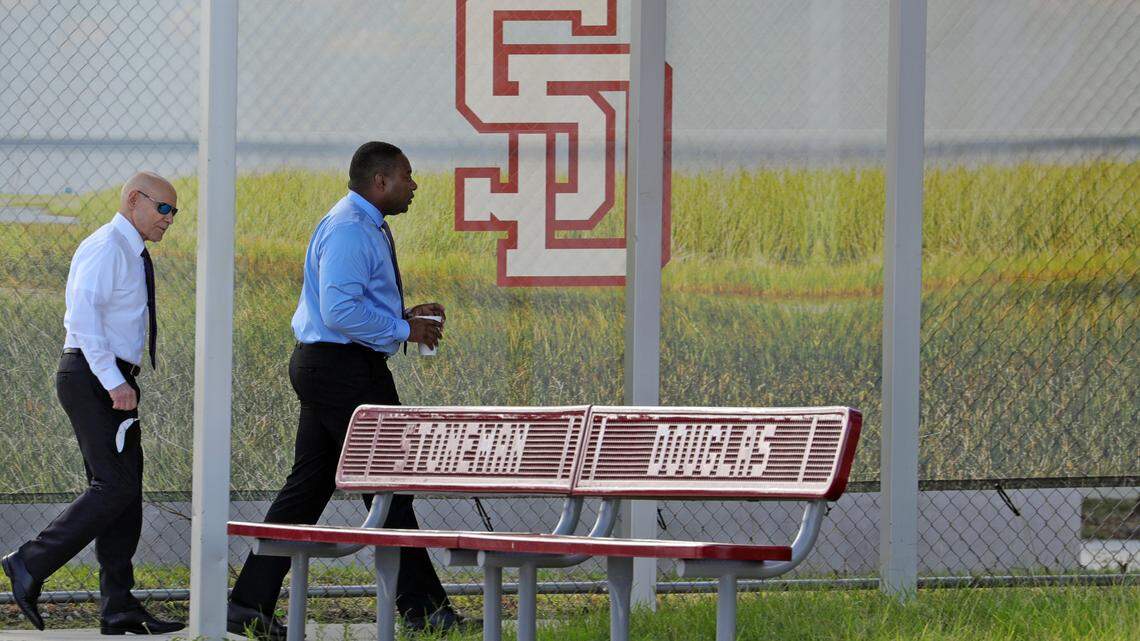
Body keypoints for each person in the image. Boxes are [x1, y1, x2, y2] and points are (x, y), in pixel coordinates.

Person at [226, 142, 473, 639]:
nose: (414, 184)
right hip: (342, 370)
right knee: (388, 485)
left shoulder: (359, 225)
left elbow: (348, 307)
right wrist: (403, 332)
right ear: (380, 181)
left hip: (335, 366)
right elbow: (339, 313)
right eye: (407, 175)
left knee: (307, 490)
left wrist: (399, 319)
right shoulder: (351, 229)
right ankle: (425, 610)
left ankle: (247, 604)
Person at [1, 172, 185, 634]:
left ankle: (119, 606)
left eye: (174, 212)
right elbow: (81, 318)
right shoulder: (107, 246)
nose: (169, 220)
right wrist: (111, 380)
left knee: (126, 494)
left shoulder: (129, 250)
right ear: (133, 199)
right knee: (114, 487)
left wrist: (119, 378)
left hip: (109, 376)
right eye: (163, 208)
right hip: (94, 375)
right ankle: (29, 562)